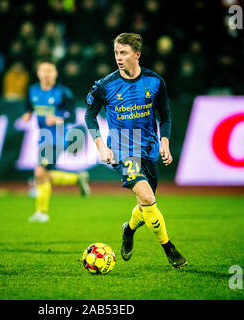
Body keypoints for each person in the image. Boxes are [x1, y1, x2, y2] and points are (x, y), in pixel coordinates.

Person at [84, 33, 187, 269]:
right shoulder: (105, 85)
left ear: (137, 54)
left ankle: (128, 229)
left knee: (145, 204)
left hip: (149, 147)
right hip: (122, 149)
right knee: (149, 198)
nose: (118, 58)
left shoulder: (155, 81)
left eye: (124, 53)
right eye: (116, 53)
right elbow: (89, 115)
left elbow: (165, 115)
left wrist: (165, 141)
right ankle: (169, 249)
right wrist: (100, 144)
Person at [21, 58, 90, 223]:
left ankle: (42, 213)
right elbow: (29, 107)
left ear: (56, 74)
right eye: (43, 71)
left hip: (57, 137)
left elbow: (72, 116)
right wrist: (28, 114)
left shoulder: (63, 92)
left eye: (50, 71)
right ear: (38, 73)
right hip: (42, 137)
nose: (46, 75)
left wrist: (59, 119)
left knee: (39, 173)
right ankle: (77, 178)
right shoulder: (32, 91)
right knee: (44, 175)